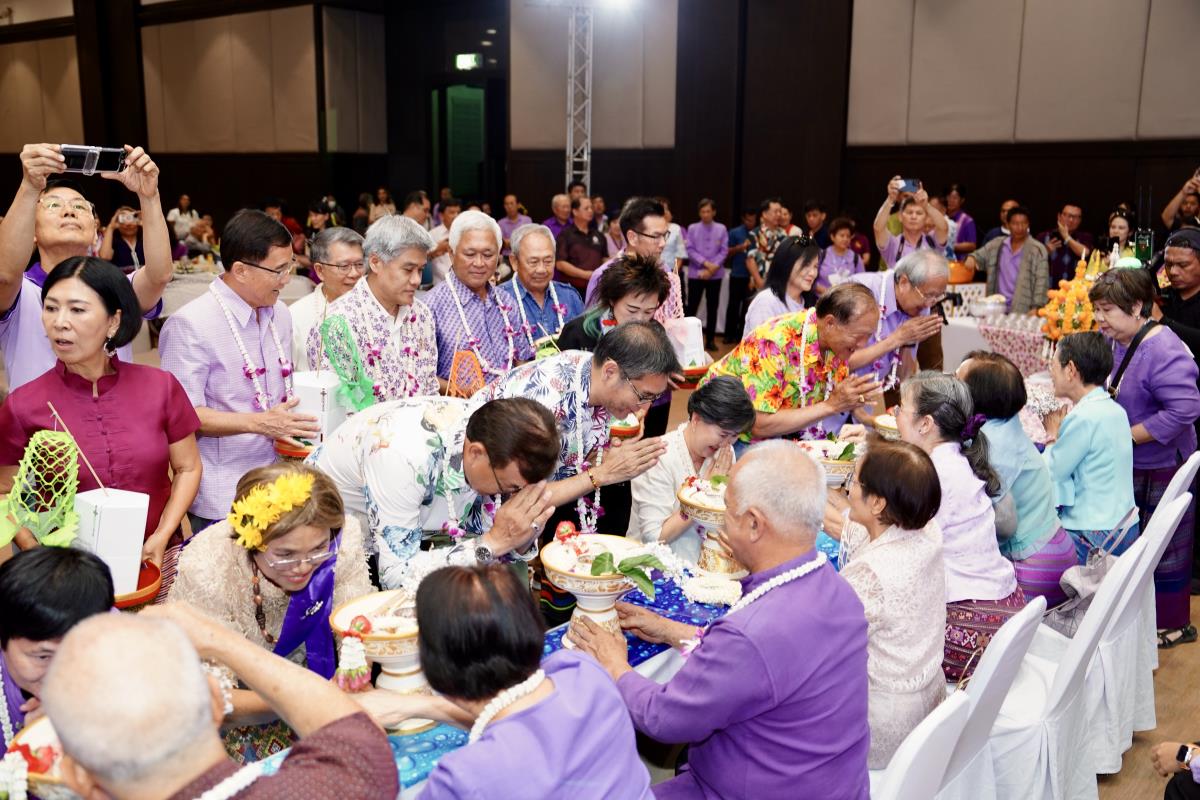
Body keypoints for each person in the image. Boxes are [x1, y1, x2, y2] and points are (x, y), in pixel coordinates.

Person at [573, 440, 870, 799]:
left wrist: (614, 665)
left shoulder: (751, 635)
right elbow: (763, 668)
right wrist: (670, 631)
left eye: (726, 508)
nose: (721, 520)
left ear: (754, 524)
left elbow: (663, 718)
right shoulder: (839, 591)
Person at [353, 564, 653, 798]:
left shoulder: (464, 776)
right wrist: (415, 706)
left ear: (435, 667)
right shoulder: (583, 671)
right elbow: (520, 712)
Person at [43, 604, 398, 800]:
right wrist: (217, 641)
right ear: (216, 701)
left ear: (77, 777)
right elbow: (353, 731)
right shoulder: (331, 786)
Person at [0, 258, 201, 577]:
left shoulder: (159, 386)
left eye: (77, 310)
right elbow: (4, 491)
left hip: (156, 559)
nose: (59, 322)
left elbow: (187, 467)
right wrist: (36, 551)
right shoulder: (23, 404)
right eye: (51, 308)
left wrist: (162, 535)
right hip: (68, 576)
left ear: (113, 321)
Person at [168, 462, 372, 752]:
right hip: (239, 712)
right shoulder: (208, 567)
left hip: (320, 684)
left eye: (318, 550)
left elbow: (357, 628)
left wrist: (356, 675)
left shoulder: (342, 541)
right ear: (251, 543)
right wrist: (313, 696)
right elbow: (216, 698)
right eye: (285, 554)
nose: (303, 567)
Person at [160, 210, 320, 533]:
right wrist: (261, 423)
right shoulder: (191, 324)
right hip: (225, 492)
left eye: (289, 266)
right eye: (278, 270)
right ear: (241, 270)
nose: (287, 279)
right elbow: (183, 417)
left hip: (282, 479)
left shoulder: (280, 313)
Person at [313, 397, 560, 589]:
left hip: (418, 533)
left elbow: (488, 533)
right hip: (331, 540)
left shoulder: (493, 446)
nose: (515, 495)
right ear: (475, 453)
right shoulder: (403, 459)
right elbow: (396, 577)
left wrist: (520, 535)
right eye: (510, 487)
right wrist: (492, 543)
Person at [0, 144, 171, 390]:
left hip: (116, 413)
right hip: (43, 416)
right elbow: (4, 276)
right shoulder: (21, 290)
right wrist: (29, 186)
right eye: (53, 205)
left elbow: (158, 276)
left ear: (94, 234)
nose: (69, 211)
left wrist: (149, 197)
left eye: (80, 206)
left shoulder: (116, 287)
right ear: (32, 232)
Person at [1090, 268, 1200, 643]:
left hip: (1163, 464)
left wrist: (1125, 436)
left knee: (1163, 547)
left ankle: (1170, 624)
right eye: (1097, 309)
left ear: (1137, 307)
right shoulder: (1117, 339)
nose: (1099, 318)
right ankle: (1135, 620)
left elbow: (1185, 410)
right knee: (1138, 544)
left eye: (1107, 310)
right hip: (1135, 460)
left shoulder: (1163, 348)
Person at [822, 439, 946, 769]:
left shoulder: (871, 574)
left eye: (853, 482)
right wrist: (810, 490)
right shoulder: (926, 531)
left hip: (882, 723)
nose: (849, 490)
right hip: (929, 701)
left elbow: (824, 644)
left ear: (877, 503)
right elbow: (847, 527)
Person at [897, 371, 1024, 681]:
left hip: (972, 627)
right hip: (1005, 610)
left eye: (900, 409)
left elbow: (895, 547)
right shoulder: (957, 459)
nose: (896, 416)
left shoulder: (933, 475)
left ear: (925, 424)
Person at [958, 352, 1076, 605]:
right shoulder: (1003, 423)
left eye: (958, 383)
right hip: (1054, 547)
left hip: (1033, 561)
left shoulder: (993, 445)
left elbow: (1001, 524)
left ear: (977, 397)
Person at [704, 283, 881, 444]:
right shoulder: (774, 342)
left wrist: (871, 421)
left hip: (781, 435)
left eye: (868, 336)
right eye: (859, 336)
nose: (863, 345)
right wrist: (831, 406)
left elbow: (834, 395)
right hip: (726, 431)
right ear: (830, 323)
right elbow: (759, 424)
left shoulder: (835, 345)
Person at [309, 215, 439, 400]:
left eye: (420, 270)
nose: (417, 280)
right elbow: (335, 406)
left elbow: (430, 389)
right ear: (376, 263)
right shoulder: (336, 324)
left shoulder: (421, 314)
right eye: (408, 269)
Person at [628, 376, 754, 563]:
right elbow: (655, 537)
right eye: (723, 434)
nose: (727, 443)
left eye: (734, 436)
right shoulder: (659, 457)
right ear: (696, 419)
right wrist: (704, 491)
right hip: (656, 565)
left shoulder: (724, 452)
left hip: (706, 560)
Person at [0, 547, 114, 751]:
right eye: (43, 656)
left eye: (77, 652)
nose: (62, 673)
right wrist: (32, 745)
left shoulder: (120, 647)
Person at [1043, 332, 1138, 560]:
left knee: (1024, 545)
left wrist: (1052, 436)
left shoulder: (1083, 417)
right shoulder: (1116, 411)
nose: (1050, 371)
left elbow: (1051, 473)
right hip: (1126, 528)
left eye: (1053, 364)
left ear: (1070, 370)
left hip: (1094, 537)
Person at [425, 210, 533, 383]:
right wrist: (462, 392)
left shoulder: (505, 301)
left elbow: (522, 359)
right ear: (451, 254)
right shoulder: (431, 306)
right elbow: (423, 376)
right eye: (470, 254)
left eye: (488, 255)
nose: (479, 263)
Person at [848, 249, 948, 400]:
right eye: (928, 295)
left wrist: (909, 341)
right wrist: (897, 339)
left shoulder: (921, 307)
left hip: (871, 397)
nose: (930, 304)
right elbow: (839, 363)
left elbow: (902, 377)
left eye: (938, 296)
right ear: (903, 283)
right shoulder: (860, 291)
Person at [584, 197, 683, 323]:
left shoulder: (665, 271)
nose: (663, 243)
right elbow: (592, 327)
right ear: (632, 237)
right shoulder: (603, 276)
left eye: (665, 235)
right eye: (656, 236)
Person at [498, 223, 584, 352]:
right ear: (514, 262)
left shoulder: (569, 296)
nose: (541, 269)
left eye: (548, 261)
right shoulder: (499, 300)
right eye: (533, 262)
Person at [289, 227, 365, 371]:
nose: (355, 273)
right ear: (320, 270)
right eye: (344, 266)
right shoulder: (295, 316)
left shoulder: (376, 309)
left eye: (360, 264)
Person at [965, 205, 1049, 313]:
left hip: (1024, 310)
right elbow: (978, 255)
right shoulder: (997, 244)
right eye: (1015, 223)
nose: (1020, 227)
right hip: (997, 307)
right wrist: (972, 258)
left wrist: (1036, 307)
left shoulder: (1037, 249)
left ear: (1028, 224)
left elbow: (1042, 281)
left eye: (1024, 223)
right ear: (1008, 225)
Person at [742, 235, 819, 335]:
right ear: (787, 263)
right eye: (806, 264)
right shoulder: (767, 301)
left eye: (815, 266)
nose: (812, 273)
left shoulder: (809, 305)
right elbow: (761, 342)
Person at [873, 177, 949, 269]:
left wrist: (926, 206)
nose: (914, 216)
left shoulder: (932, 241)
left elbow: (943, 228)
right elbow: (878, 228)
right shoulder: (893, 244)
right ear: (900, 216)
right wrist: (890, 199)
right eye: (909, 212)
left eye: (919, 213)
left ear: (926, 218)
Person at [685, 198, 729, 351]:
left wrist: (712, 269)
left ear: (714, 212)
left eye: (708, 211)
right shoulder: (692, 228)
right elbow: (690, 250)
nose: (705, 214)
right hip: (696, 273)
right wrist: (705, 264)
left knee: (713, 307)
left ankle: (710, 340)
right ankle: (687, 339)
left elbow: (724, 251)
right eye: (703, 211)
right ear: (699, 213)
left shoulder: (721, 229)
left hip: (715, 275)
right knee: (692, 307)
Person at [554, 195, 607, 291]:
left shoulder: (599, 235)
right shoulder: (565, 235)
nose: (590, 211)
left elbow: (604, 258)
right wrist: (585, 275)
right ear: (575, 211)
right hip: (572, 289)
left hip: (597, 288)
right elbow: (560, 264)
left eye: (591, 208)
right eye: (586, 208)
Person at [723, 205, 758, 341]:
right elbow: (727, 252)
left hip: (752, 277)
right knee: (733, 305)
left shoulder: (758, 233)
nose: (751, 223)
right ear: (743, 219)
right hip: (737, 274)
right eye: (748, 220)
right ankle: (728, 335)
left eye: (753, 220)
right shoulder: (735, 232)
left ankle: (742, 336)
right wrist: (740, 247)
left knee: (748, 308)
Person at [1039, 203, 1094, 285]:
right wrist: (1045, 251)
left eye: (1075, 217)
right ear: (1059, 216)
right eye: (1068, 215)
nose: (1071, 220)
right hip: (1047, 289)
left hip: (1075, 290)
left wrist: (1066, 236)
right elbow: (1031, 261)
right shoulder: (1044, 236)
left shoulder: (1085, 237)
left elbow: (1085, 253)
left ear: (1080, 220)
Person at [746, 197, 785, 292]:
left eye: (780, 211)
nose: (779, 215)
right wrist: (759, 281)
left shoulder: (783, 235)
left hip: (778, 283)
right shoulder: (754, 234)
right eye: (775, 212)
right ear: (764, 214)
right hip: (759, 283)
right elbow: (750, 260)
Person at [819, 217, 865, 294]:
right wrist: (826, 292)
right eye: (842, 235)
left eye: (848, 236)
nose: (845, 239)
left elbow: (862, 282)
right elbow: (813, 280)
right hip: (822, 298)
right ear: (832, 237)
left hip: (846, 299)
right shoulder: (822, 254)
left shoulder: (856, 258)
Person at [1085, 208, 1136, 277]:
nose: (1116, 231)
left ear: (1130, 232)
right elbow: (1088, 275)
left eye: (1121, 228)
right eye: (1113, 227)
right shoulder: (1098, 251)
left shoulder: (1134, 251)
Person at [98, 205, 146, 273]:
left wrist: (144, 224)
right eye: (123, 218)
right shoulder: (114, 243)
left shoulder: (144, 242)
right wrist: (111, 227)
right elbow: (105, 256)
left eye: (131, 217)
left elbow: (157, 253)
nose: (128, 224)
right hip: (121, 279)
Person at [427, 196, 461, 286]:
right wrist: (437, 250)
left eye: (458, 212)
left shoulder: (464, 234)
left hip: (463, 284)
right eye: (452, 212)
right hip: (440, 284)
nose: (456, 216)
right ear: (441, 216)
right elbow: (424, 259)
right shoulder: (432, 235)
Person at [944, 183, 977, 256]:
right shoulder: (941, 216)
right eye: (949, 197)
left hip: (959, 260)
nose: (951, 200)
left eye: (955, 198)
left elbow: (972, 245)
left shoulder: (967, 220)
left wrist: (949, 246)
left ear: (962, 200)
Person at [497, 193, 531, 260]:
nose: (509, 206)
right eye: (506, 204)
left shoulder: (527, 220)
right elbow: (502, 244)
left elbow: (528, 242)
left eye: (511, 203)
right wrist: (519, 241)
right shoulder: (500, 223)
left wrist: (509, 242)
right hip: (506, 257)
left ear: (518, 205)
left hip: (524, 255)